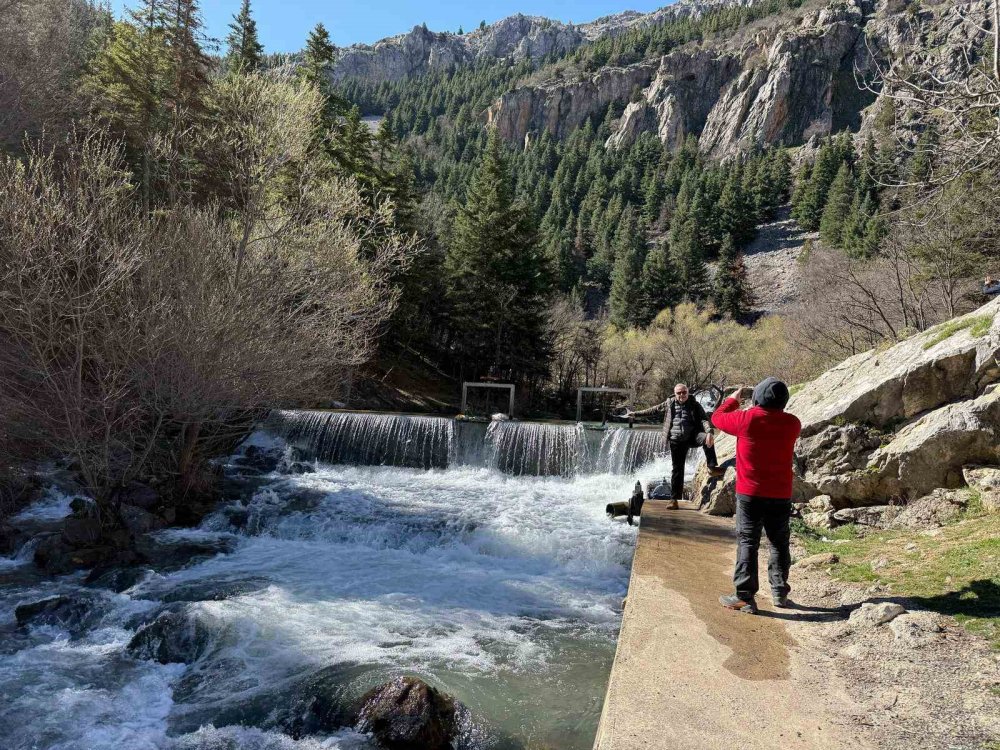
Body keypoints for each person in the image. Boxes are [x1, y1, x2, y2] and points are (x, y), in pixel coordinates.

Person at [712, 377, 802, 614]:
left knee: (748, 542)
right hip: (781, 494)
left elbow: (717, 417)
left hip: (750, 494)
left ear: (757, 398)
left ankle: (745, 597)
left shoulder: (747, 419)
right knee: (779, 543)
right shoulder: (793, 423)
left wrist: (733, 399)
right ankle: (780, 593)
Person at [625, 383, 724, 510]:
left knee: (707, 438)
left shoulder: (694, 404)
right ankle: (674, 500)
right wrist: (635, 414)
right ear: (675, 393)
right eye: (679, 393)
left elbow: (704, 419)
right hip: (676, 441)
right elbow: (653, 410)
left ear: (687, 392)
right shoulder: (669, 403)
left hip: (692, 436)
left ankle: (712, 467)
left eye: (684, 392)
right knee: (677, 470)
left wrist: (709, 431)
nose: (682, 395)